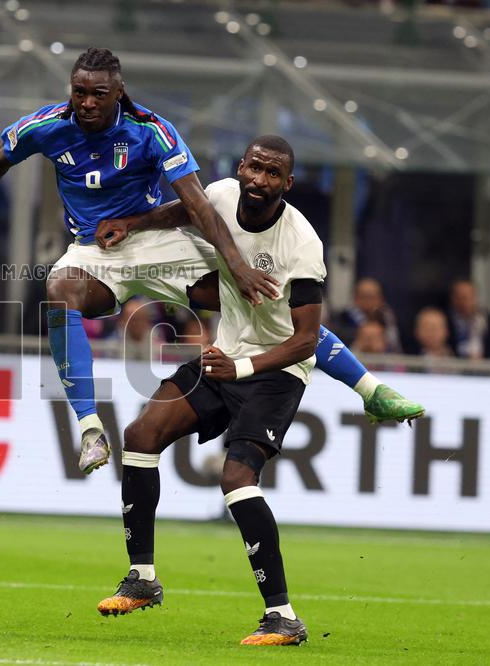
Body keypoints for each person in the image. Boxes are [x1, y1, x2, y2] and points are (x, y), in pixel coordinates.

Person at [0, 47, 422, 475]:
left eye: (98, 94)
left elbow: (196, 203)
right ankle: (90, 430)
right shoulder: (47, 126)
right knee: (59, 287)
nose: (86, 102)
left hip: (160, 242)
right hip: (97, 249)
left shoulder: (150, 130)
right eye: (79, 91)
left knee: (271, 305)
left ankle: (371, 390)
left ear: (118, 93)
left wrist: (237, 267)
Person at [95, 136, 319, 646]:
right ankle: (143, 579)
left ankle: (283, 617)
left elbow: (306, 340)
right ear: (241, 167)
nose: (260, 180)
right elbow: (181, 210)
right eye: (254, 168)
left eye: (273, 173)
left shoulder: (301, 244)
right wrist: (132, 222)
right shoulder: (219, 195)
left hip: (274, 371)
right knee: (141, 434)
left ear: (288, 183)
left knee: (237, 476)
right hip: (224, 357)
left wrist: (242, 367)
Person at [336, 277, 401, 352]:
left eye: (372, 297)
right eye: (363, 297)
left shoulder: (386, 317)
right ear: (355, 298)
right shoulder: (344, 318)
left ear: (381, 299)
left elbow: (395, 346)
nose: (367, 301)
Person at [446, 279, 490, 359]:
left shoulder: (489, 321)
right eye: (461, 297)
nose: (465, 302)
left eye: (469, 297)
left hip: (485, 366)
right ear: (453, 298)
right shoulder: (445, 321)